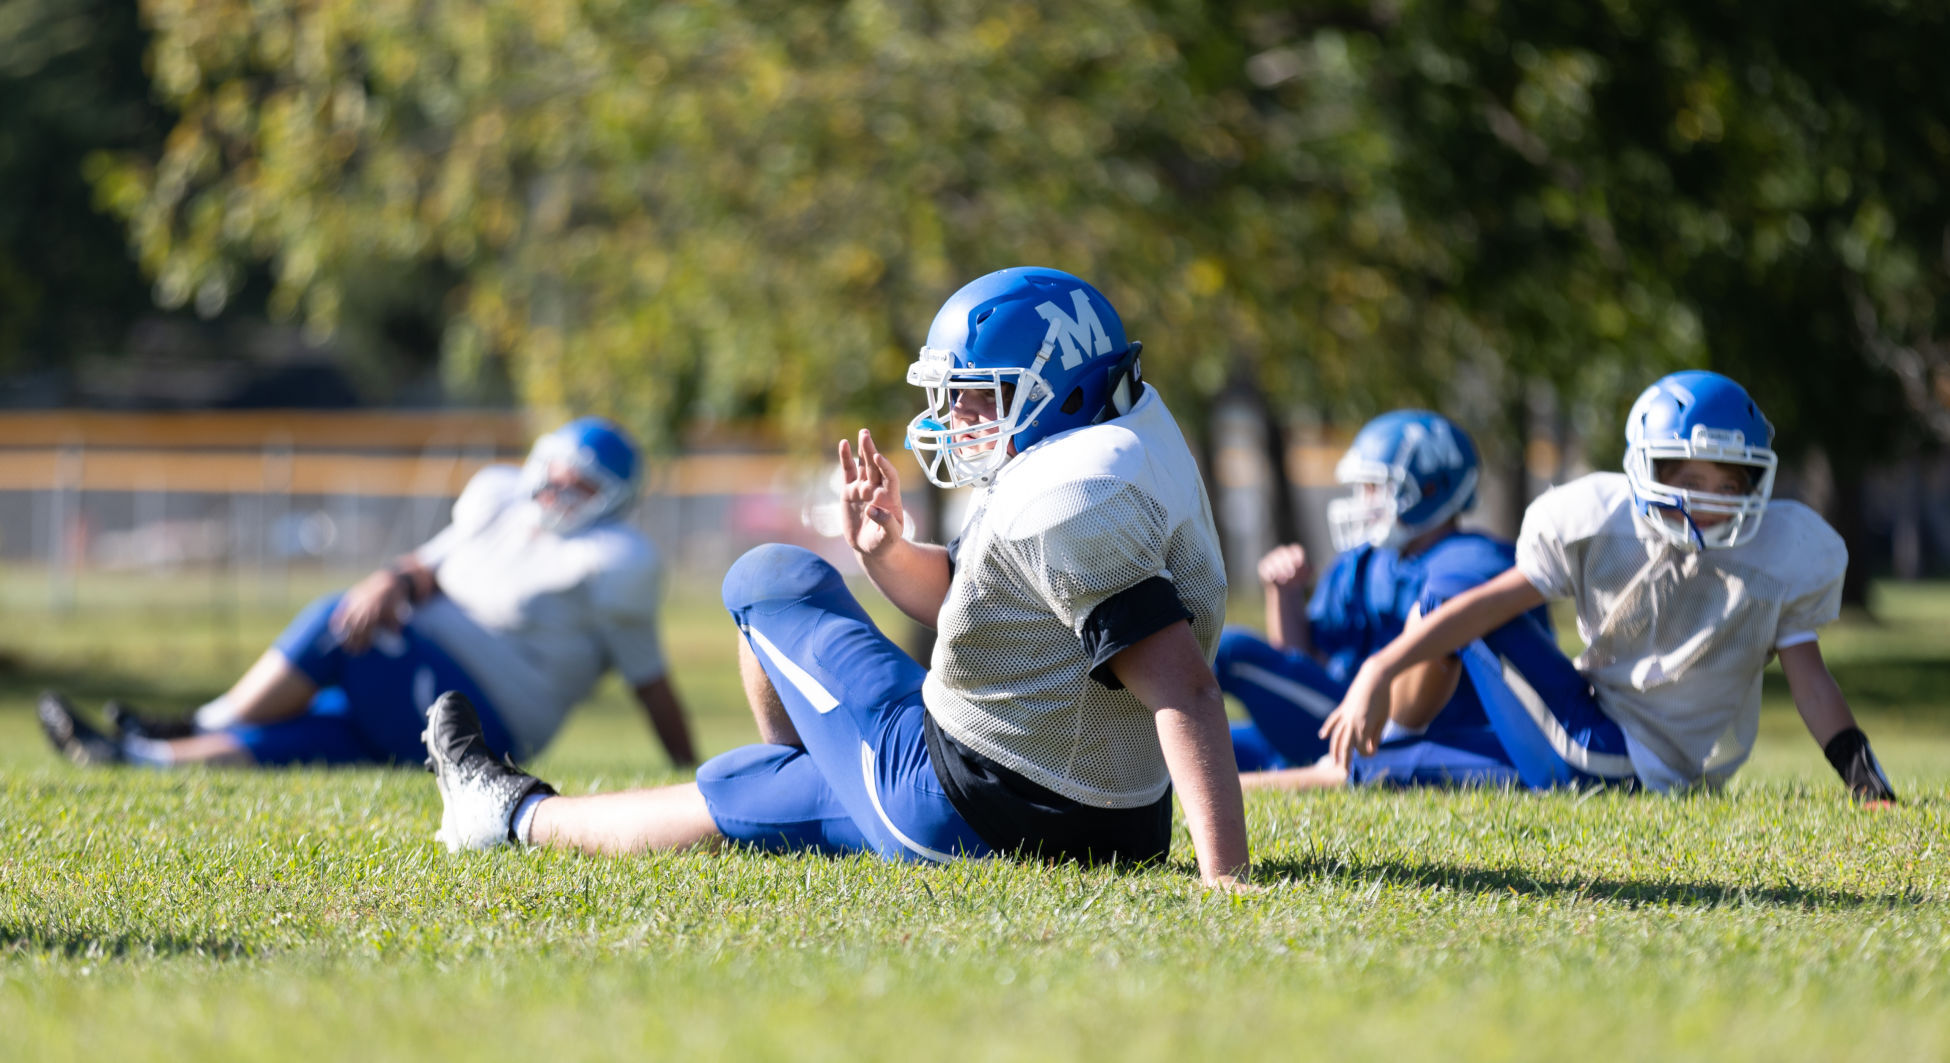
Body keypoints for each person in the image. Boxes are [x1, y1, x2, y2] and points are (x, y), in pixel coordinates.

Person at [420, 266, 1251, 886]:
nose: (954, 417)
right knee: (764, 791)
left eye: (978, 396)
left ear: (1059, 387)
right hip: (1113, 820)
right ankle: (505, 813)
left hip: (975, 802)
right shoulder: (1119, 438)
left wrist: (1226, 881)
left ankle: (799, 774)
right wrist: (887, 551)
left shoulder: (1071, 494)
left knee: (771, 574)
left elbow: (1183, 687)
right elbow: (997, 604)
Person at [1320, 370, 1898, 802]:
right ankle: (1277, 776)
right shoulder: (1598, 516)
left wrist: (1863, 779)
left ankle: (1391, 726)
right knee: (1385, 768)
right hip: (1599, 745)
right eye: (1692, 478)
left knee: (1445, 601)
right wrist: (1380, 670)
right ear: (1647, 470)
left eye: (1728, 483)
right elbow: (1498, 600)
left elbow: (1813, 684)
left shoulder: (1781, 548)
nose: (1710, 500)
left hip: (1612, 752)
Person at [38, 418, 696, 770]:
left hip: (482, 717)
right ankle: (143, 757)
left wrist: (687, 771)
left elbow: (651, 681)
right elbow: (429, 565)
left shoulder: (614, 561)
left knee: (339, 619)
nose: (554, 490)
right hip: (414, 681)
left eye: (578, 485)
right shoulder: (499, 501)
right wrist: (392, 578)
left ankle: (197, 721)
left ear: (610, 502)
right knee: (329, 728)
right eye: (553, 472)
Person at [1218, 410, 1552, 790]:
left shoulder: (1475, 561)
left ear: (1429, 489)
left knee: (1231, 651)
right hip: (1336, 723)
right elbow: (1301, 669)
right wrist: (1284, 595)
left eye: (1376, 487)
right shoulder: (1364, 562)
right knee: (1189, 750)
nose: (1363, 500)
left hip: (1406, 737)